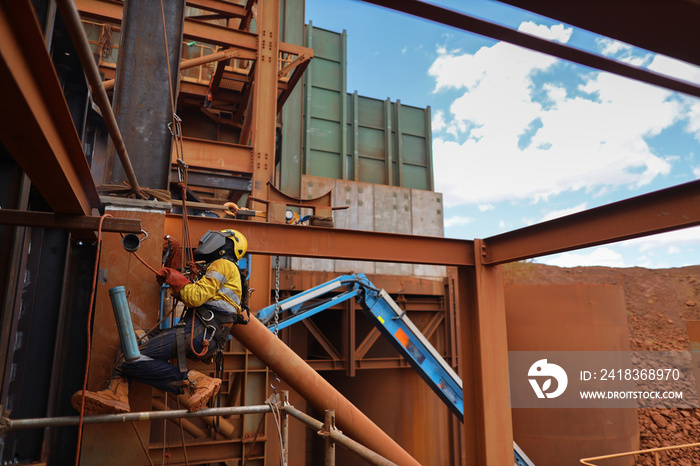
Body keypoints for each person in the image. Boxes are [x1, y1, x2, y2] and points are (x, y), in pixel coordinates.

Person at [72, 229, 249, 415]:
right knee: (133, 338)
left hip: (198, 332)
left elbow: (195, 297)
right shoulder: (223, 269)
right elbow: (198, 293)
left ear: (227, 245)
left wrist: (177, 281)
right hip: (199, 332)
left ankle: (195, 380)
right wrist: (178, 277)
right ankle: (118, 392)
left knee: (131, 359)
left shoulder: (223, 264)